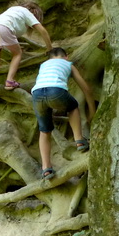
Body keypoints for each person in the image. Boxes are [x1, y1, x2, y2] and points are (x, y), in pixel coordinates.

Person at [31, 47, 96, 180]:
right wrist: (92, 110)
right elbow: (85, 88)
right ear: (66, 56)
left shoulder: (43, 65)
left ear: (49, 58)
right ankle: (79, 140)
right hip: (56, 91)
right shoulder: (68, 64)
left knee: (44, 131)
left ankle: (46, 168)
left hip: (37, 94)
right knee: (73, 107)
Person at [0, 2, 53, 105]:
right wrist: (50, 48)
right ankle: (10, 81)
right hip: (3, 29)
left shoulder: (14, 10)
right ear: (35, 13)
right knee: (17, 54)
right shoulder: (28, 13)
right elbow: (43, 31)